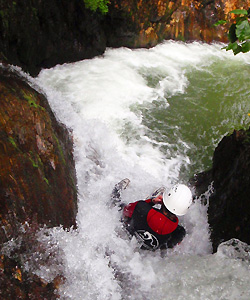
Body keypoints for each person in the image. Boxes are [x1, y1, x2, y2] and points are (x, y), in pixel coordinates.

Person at [121, 184, 193, 251]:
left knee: (122, 206)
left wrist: (151, 202)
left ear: (163, 200)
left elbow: (125, 211)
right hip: (145, 251)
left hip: (125, 236)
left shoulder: (141, 207)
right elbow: (166, 247)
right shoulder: (179, 233)